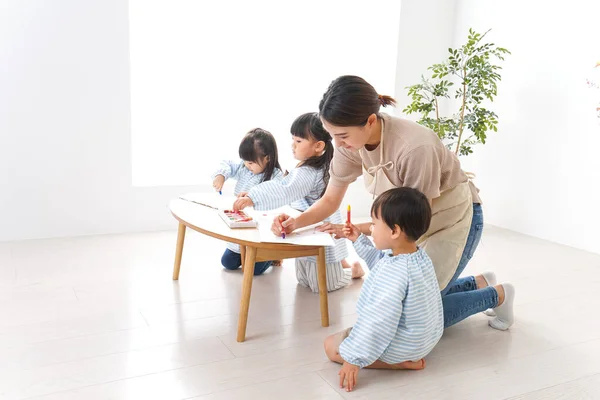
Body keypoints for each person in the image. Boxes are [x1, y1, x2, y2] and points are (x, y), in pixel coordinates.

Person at [272, 76, 515, 330]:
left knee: (417, 317)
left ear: (370, 121)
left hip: (451, 217)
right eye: (332, 135)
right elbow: (331, 199)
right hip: (407, 224)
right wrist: (295, 223)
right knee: (402, 302)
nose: (338, 144)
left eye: (342, 135)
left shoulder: (414, 147)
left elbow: (414, 220)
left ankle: (497, 295)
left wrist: (363, 230)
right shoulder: (348, 146)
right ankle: (477, 283)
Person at [324, 187, 443, 392]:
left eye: (373, 224)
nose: (370, 229)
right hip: (425, 338)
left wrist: (354, 358)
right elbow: (379, 262)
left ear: (395, 231)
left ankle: (401, 363)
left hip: (406, 344)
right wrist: (357, 238)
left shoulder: (397, 273)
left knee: (330, 347)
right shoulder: (417, 256)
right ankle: (406, 357)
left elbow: (379, 321)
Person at [233, 113, 363, 292]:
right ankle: (344, 267)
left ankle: (353, 271)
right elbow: (286, 184)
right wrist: (254, 194)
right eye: (292, 139)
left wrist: (253, 197)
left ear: (318, 146)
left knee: (323, 285)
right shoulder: (310, 166)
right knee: (304, 280)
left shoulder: (312, 170)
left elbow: (285, 188)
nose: (292, 146)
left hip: (319, 225)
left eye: (299, 141)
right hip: (307, 225)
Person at [212, 128, 283, 275]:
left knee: (254, 270)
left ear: (267, 158)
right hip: (241, 226)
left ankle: (275, 253)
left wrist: (251, 197)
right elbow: (227, 164)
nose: (247, 165)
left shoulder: (276, 176)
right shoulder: (245, 169)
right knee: (228, 263)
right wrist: (221, 175)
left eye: (251, 162)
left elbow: (274, 191)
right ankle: (244, 253)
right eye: (245, 161)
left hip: (262, 232)